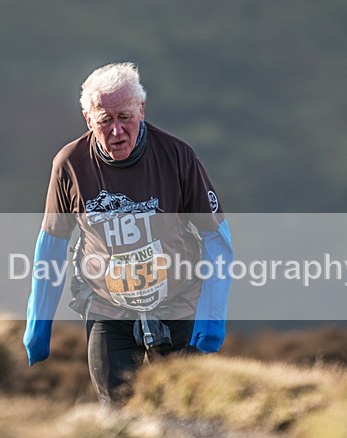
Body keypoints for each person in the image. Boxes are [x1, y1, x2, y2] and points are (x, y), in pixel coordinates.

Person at [23, 62, 232, 405]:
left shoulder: (177, 156)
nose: (117, 131)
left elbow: (216, 240)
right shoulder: (70, 164)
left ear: (142, 110)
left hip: (179, 303)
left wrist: (211, 319)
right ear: (88, 119)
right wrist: (38, 326)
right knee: (117, 410)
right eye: (105, 120)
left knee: (187, 409)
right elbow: (51, 247)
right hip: (108, 307)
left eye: (125, 117)